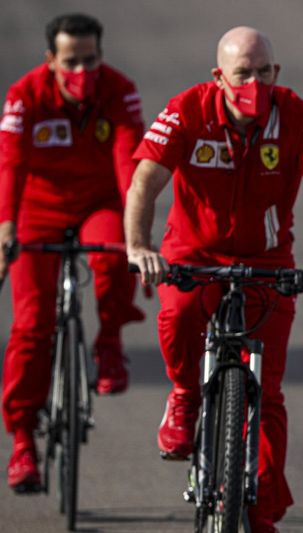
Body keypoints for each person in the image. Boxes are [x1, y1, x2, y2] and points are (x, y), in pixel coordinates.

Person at [125, 26, 303, 532]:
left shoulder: (295, 114)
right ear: (218, 77)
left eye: (263, 72)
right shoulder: (187, 108)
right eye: (242, 73)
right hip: (192, 253)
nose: (254, 82)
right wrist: (139, 247)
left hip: (268, 263)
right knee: (179, 313)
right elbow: (145, 179)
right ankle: (184, 396)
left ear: (277, 73)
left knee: (267, 395)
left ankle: (262, 510)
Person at [0, 13, 145, 493]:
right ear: (50, 61)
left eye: (91, 60)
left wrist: (137, 231)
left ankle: (108, 346)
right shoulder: (24, 95)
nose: (82, 71)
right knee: (30, 324)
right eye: (70, 62)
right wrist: (5, 229)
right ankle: (23, 440)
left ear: (101, 56)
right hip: (36, 212)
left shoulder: (119, 90)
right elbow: (11, 163)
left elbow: (130, 163)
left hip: (97, 204)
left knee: (115, 253)